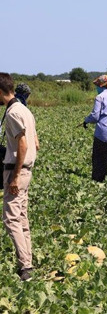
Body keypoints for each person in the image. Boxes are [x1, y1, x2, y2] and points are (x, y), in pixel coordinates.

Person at [1, 73, 39, 281]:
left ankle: (25, 268)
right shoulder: (25, 110)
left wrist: (14, 176)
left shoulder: (13, 113)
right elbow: (36, 142)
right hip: (26, 169)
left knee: (11, 219)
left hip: (17, 170)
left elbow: (23, 144)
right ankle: (27, 261)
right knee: (21, 218)